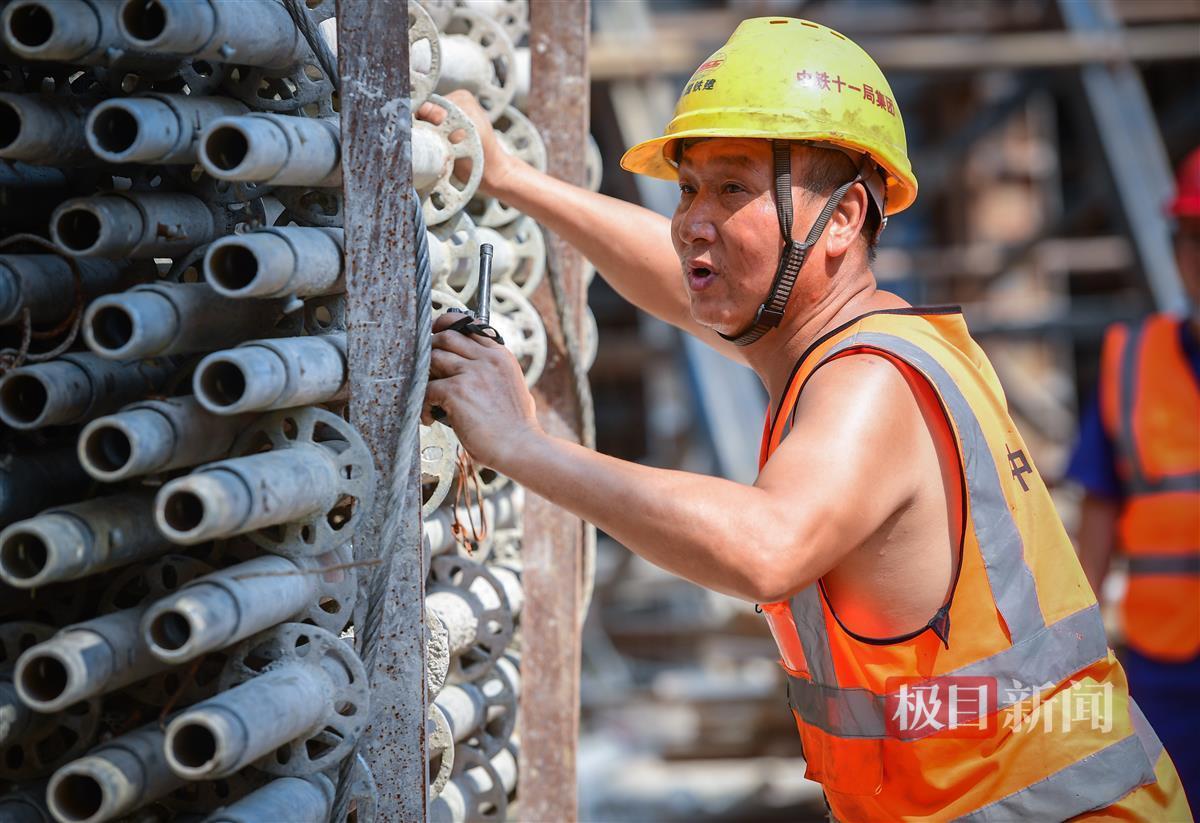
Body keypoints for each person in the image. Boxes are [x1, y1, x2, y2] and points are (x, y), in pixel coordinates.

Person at [423, 17, 1191, 820]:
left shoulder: (869, 382)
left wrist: (521, 442)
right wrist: (511, 176)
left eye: (733, 188)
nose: (694, 219)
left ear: (847, 217)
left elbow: (768, 545)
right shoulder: (868, 335)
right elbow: (679, 269)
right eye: (687, 188)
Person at [1067, 145, 1200, 806]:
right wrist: (1070, 670)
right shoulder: (1134, 364)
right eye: (1198, 240)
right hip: (1165, 671)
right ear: (1179, 249)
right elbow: (1096, 523)